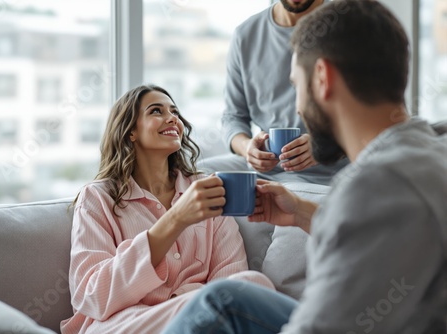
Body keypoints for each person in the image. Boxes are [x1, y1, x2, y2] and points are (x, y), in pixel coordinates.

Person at [162, 1, 447, 333]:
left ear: (323, 78)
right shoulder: (425, 148)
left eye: (297, 86)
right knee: (225, 298)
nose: (297, 105)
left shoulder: (373, 185)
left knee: (215, 306)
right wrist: (299, 212)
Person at [59, 85, 274, 334]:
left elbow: (230, 277)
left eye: (174, 111)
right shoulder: (97, 198)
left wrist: (193, 305)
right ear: (131, 131)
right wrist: (175, 220)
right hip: (125, 324)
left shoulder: (207, 190)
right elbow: (92, 296)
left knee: (252, 284)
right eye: (156, 111)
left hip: (200, 319)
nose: (172, 118)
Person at [198, 0, 348, 186]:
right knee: (193, 176)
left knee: (281, 198)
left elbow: (368, 115)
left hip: (330, 171)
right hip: (265, 170)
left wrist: (325, 146)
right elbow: (233, 117)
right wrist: (247, 149)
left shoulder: (346, 27)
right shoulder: (245, 35)